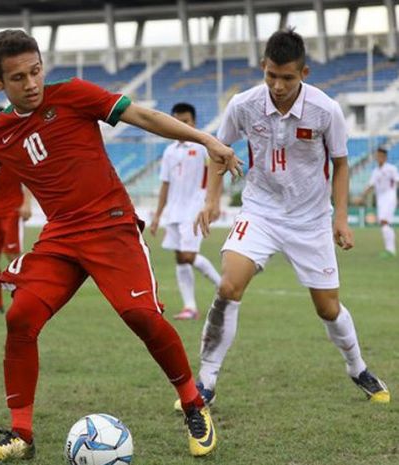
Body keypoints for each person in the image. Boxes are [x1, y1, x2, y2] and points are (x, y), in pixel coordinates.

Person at [0, 29, 242, 461]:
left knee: (142, 316)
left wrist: (207, 139)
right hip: (61, 235)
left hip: (111, 225)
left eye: (36, 71)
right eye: (19, 78)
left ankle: (194, 404)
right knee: (21, 317)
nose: (32, 84)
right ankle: (21, 435)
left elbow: (144, 117)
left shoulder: (75, 95)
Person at [185, 29, 390, 411]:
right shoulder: (243, 105)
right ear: (263, 67)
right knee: (229, 286)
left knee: (327, 308)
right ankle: (206, 382)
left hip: (311, 219)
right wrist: (211, 200)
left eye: (288, 78)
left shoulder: (326, 110)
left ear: (304, 73)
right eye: (271, 76)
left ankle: (357, 367)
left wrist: (340, 218)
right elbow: (218, 149)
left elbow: (342, 164)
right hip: (260, 211)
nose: (278, 86)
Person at [149, 103, 221, 320]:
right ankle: (190, 307)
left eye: (185, 122)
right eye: (177, 122)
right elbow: (165, 185)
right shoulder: (170, 151)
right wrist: (158, 215)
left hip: (195, 209)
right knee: (180, 258)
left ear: (194, 122)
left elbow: (217, 172)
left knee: (189, 255)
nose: (181, 126)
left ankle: (223, 287)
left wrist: (214, 203)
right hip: (174, 211)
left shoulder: (202, 146)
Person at [0, 160, 32, 314]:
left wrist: (27, 204)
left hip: (12, 211)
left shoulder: (12, 154)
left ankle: (27, 303)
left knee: (13, 256)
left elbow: (28, 180)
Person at [358, 147, 398, 257]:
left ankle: (390, 250)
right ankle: (390, 249)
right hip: (380, 199)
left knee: (384, 221)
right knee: (383, 223)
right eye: (377, 156)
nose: (378, 158)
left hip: (390, 197)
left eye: (380, 155)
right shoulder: (375, 171)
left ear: (385, 157)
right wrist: (362, 196)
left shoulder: (391, 169)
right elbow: (371, 185)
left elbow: (397, 181)